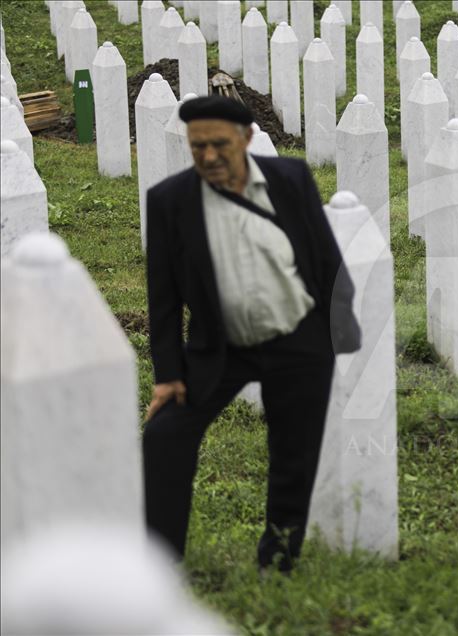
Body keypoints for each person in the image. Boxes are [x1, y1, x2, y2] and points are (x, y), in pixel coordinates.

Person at [142, 96, 360, 572]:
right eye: (198, 147)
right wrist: (168, 374)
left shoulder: (290, 180)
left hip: (298, 339)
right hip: (220, 347)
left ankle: (278, 560)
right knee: (164, 438)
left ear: (245, 139)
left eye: (220, 144)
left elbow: (326, 262)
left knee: (293, 454)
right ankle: (158, 565)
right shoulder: (169, 202)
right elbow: (162, 300)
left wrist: (331, 337)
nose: (209, 157)